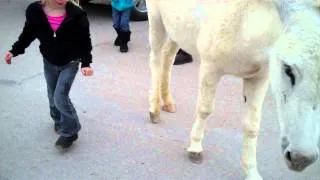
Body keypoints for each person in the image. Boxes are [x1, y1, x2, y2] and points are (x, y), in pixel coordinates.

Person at [3, 0, 93, 149]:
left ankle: (71, 131)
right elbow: (28, 33)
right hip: (49, 61)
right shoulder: (34, 11)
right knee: (52, 93)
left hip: (70, 62)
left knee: (60, 96)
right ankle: (58, 118)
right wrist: (14, 50)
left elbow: (85, 40)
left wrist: (86, 63)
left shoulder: (77, 14)